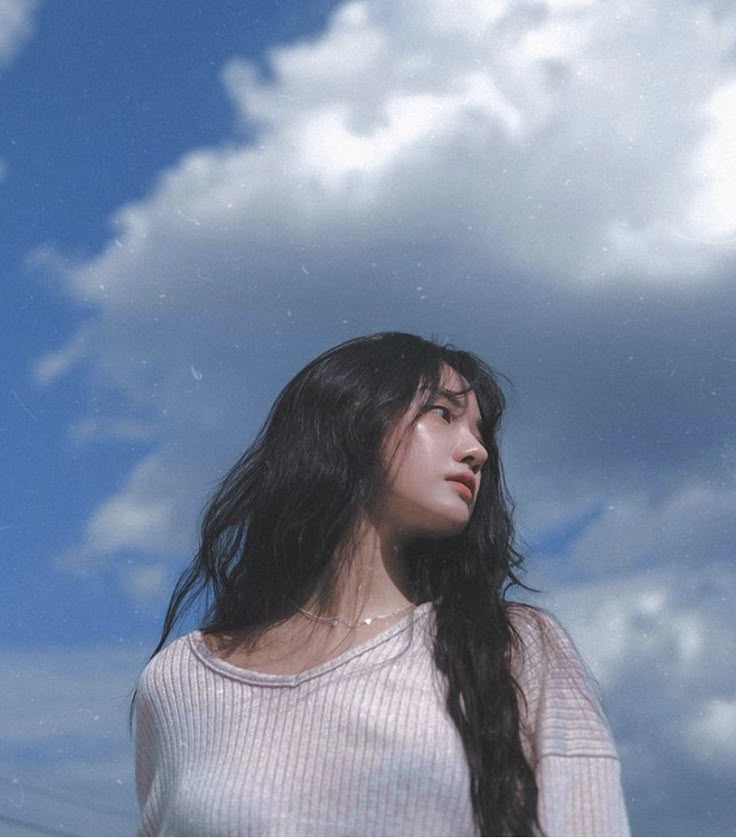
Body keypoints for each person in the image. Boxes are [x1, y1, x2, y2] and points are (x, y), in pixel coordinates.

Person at [133, 331, 629, 837]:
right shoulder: (179, 682)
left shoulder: (512, 650)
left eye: (480, 432)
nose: (477, 450)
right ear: (351, 420)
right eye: (442, 413)